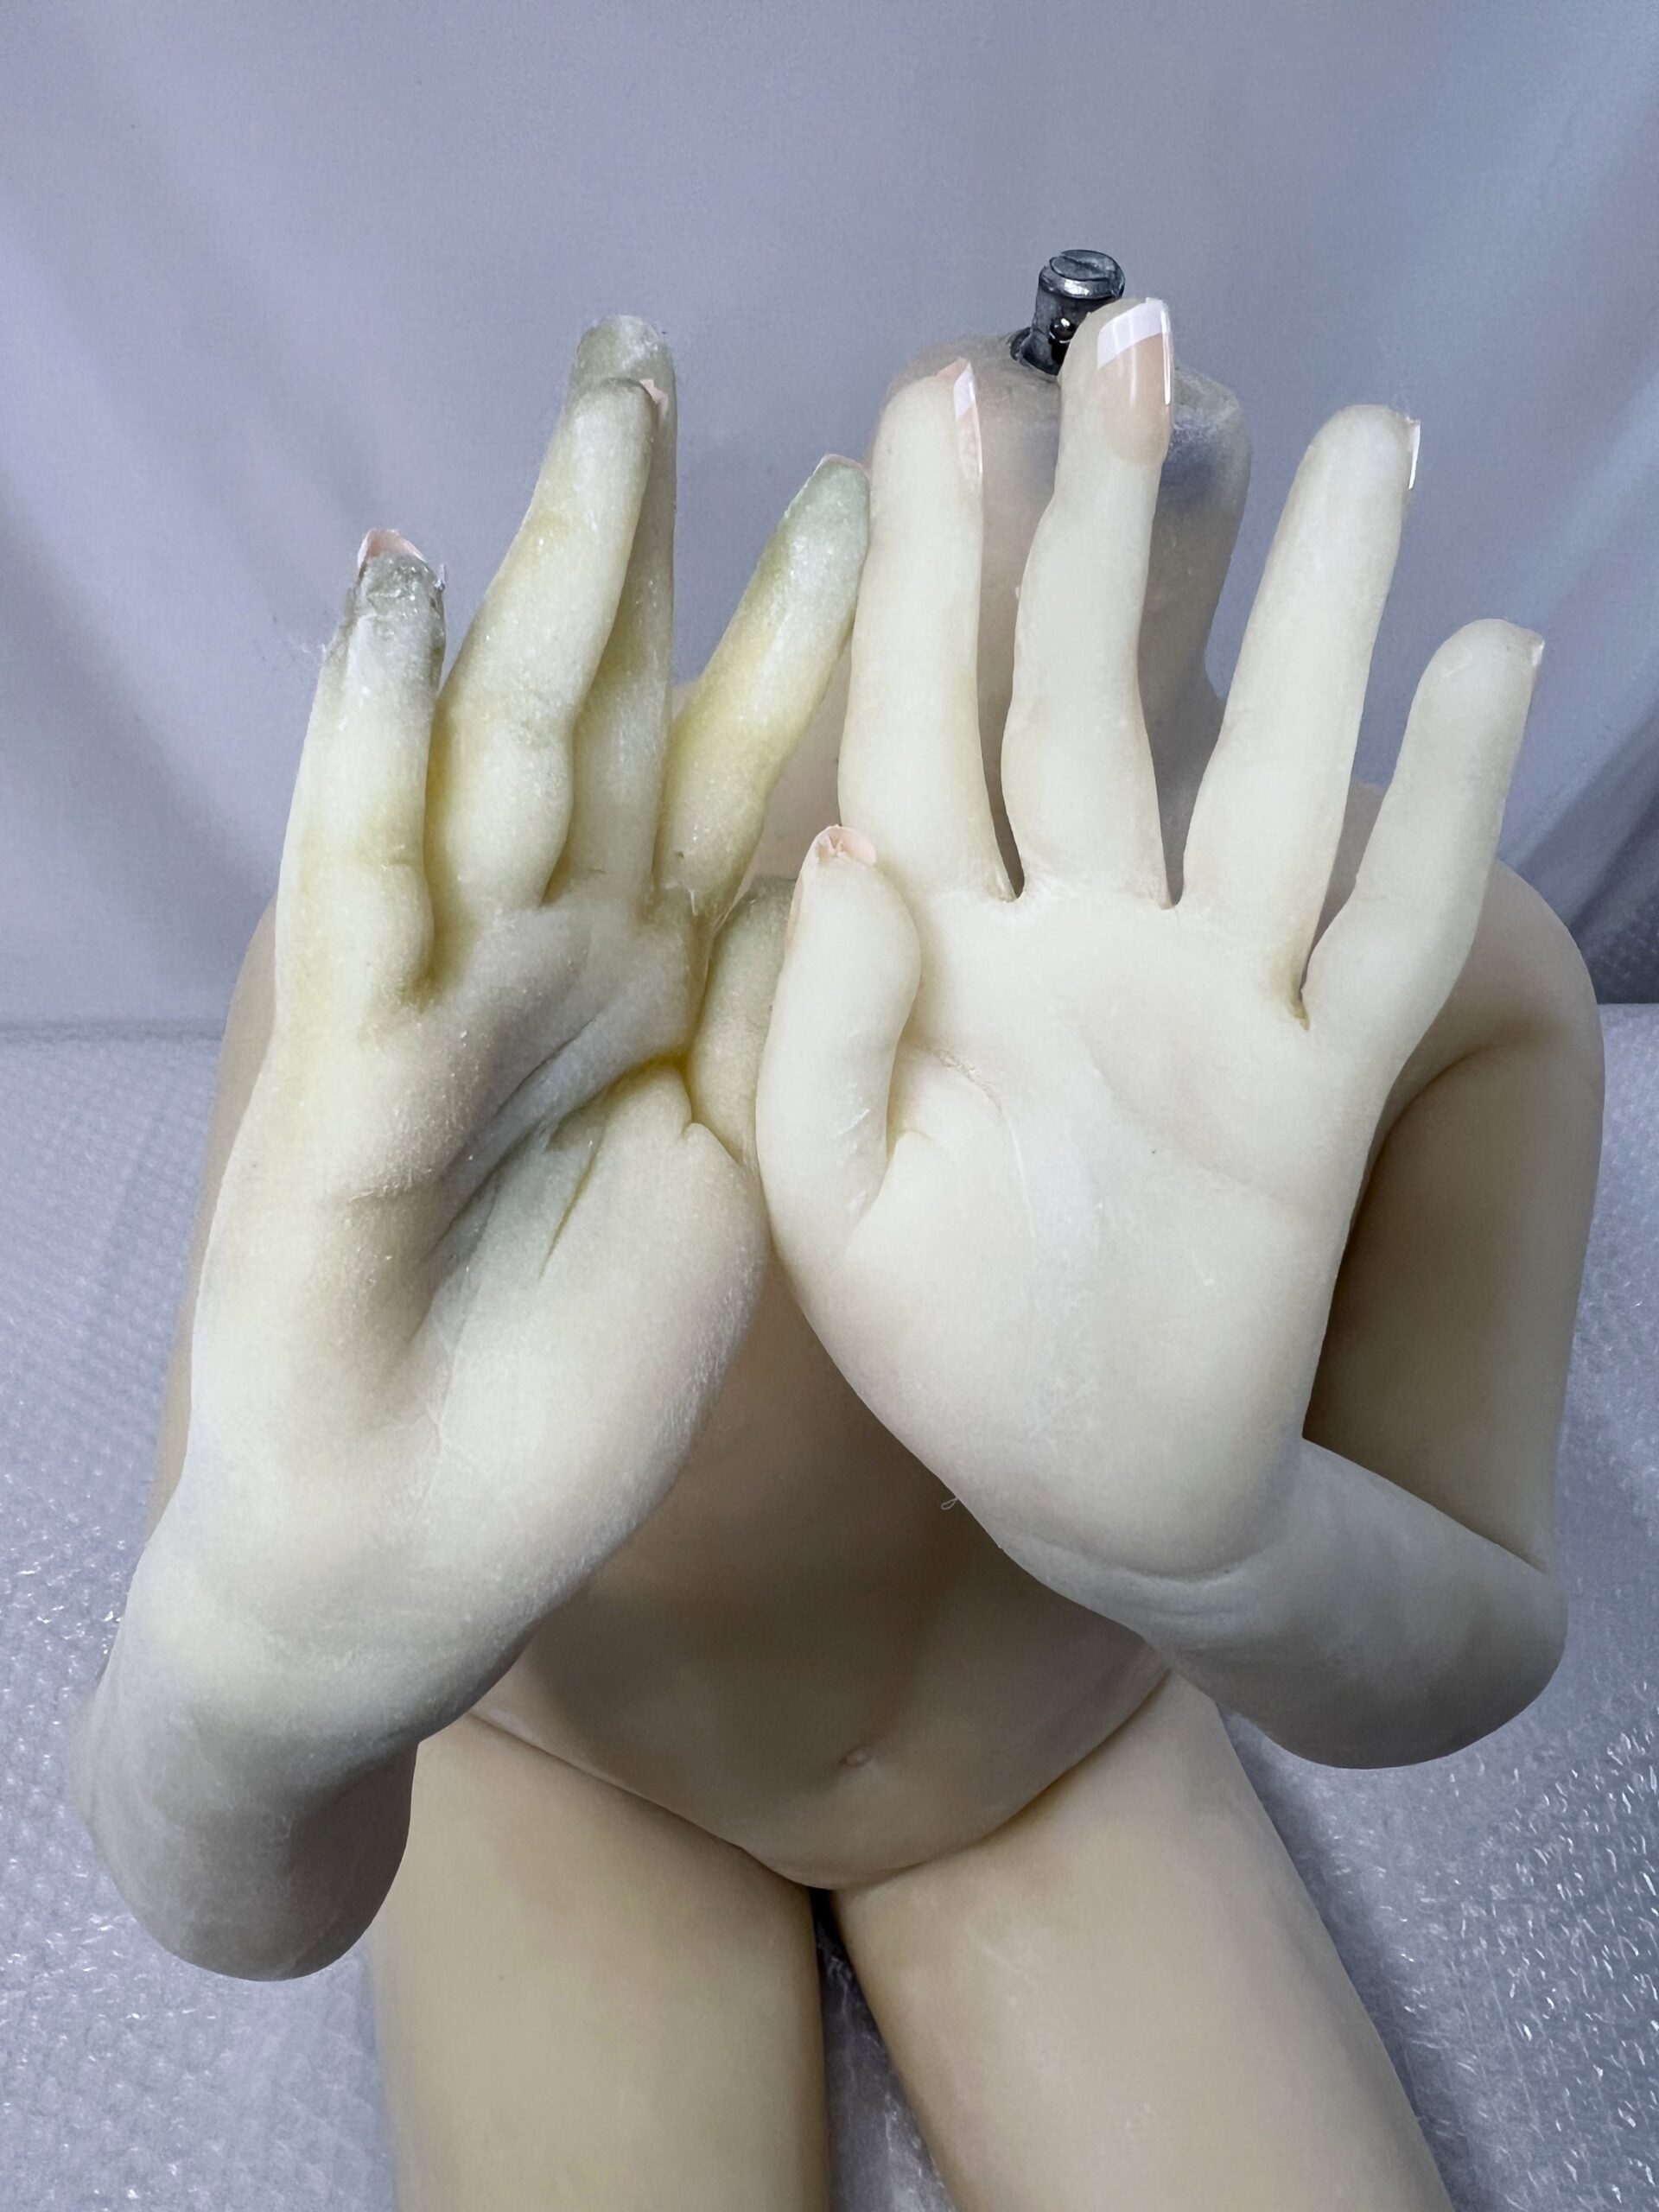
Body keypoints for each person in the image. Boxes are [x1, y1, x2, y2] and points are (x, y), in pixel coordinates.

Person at [73, 295, 1602, 2211]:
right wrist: (256, 1679)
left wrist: (1232, 1554)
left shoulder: (1432, 977)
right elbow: (219, 1870)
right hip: (568, 1763)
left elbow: (1477, 1636)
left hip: (1062, 1747)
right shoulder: (479, 950)